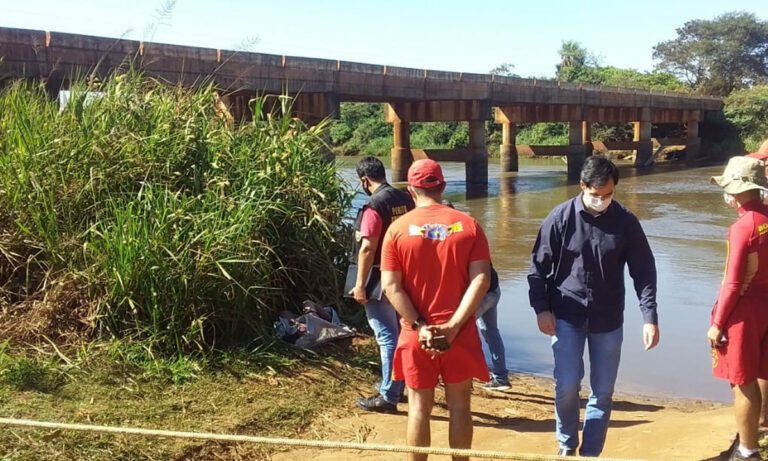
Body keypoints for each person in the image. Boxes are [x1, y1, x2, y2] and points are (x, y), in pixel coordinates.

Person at [527, 155, 660, 457]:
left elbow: (644, 271)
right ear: (582, 186)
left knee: (602, 392)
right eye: (596, 195)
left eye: (608, 195)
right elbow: (537, 269)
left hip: (608, 319)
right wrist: (542, 309)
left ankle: (590, 452)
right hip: (566, 316)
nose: (602, 200)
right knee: (567, 385)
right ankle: (566, 444)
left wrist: (649, 317)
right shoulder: (559, 219)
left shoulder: (625, 222)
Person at [380, 159, 491, 461]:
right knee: (459, 407)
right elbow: (482, 279)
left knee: (418, 408)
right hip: (459, 333)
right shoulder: (469, 226)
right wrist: (454, 325)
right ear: (442, 185)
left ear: (410, 189)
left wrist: (419, 326)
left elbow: (391, 286)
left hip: (417, 335)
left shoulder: (397, 230)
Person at [709, 156, 768, 461]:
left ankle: (747, 450)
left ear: (737, 189)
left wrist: (717, 322)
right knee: (763, 372)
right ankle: (761, 431)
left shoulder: (743, 226)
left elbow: (732, 283)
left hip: (744, 312)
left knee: (742, 379)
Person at [347, 156, 414, 413]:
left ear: (364, 180)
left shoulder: (374, 205)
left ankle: (388, 396)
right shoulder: (405, 199)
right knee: (401, 333)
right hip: (403, 276)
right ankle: (397, 385)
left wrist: (360, 284)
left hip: (378, 279)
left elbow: (367, 247)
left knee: (387, 337)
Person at [476, 266, 511, 391]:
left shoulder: (462, 248)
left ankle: (464, 375)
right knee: (491, 333)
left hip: (484, 294)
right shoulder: (478, 247)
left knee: (462, 328)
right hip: (493, 290)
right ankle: (501, 378)